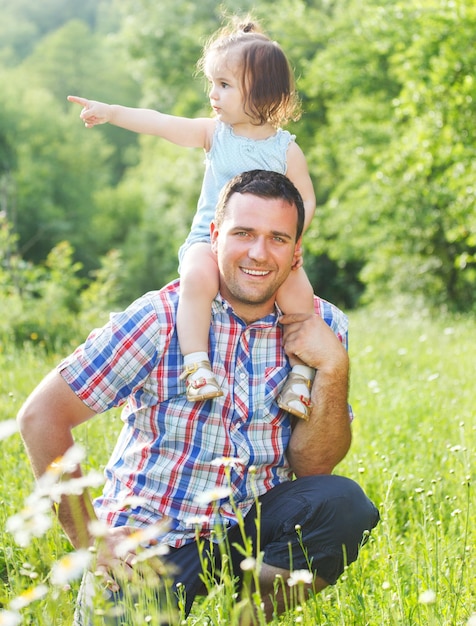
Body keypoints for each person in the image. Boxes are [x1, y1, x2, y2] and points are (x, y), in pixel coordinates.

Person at [17, 170, 379, 624]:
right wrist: (92, 540)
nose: (258, 253)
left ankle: (244, 617)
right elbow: (41, 416)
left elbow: (314, 467)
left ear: (296, 251)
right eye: (243, 233)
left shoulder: (323, 326)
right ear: (214, 236)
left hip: (254, 523)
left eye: (277, 238)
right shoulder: (162, 317)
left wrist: (334, 366)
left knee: (344, 504)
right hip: (154, 535)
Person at [67, 16, 317, 421]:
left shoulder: (286, 149)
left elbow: (306, 198)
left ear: (260, 91)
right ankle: (197, 365)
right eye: (212, 84)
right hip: (208, 239)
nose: (213, 95)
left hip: (267, 246)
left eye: (224, 85)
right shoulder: (214, 133)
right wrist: (111, 111)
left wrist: (295, 241)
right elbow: (162, 123)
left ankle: (301, 378)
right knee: (196, 278)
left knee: (300, 298)